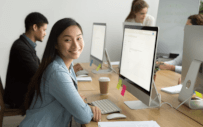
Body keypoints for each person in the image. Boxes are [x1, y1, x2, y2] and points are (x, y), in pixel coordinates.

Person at [19, 18, 101, 127]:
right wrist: (86, 107)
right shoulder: (57, 72)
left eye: (79, 38)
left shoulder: (66, 65)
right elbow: (84, 116)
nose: (76, 45)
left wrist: (79, 104)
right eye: (67, 40)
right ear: (56, 44)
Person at [3, 12, 48, 108]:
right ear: (35, 27)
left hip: (24, 93)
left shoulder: (26, 46)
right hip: (19, 98)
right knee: (57, 98)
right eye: (44, 29)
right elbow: (38, 74)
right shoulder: (21, 48)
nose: (45, 33)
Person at [158, 14, 203, 84]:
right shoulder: (188, 43)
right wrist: (160, 64)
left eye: (187, 26)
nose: (184, 29)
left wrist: (172, 68)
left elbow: (198, 71)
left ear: (197, 29)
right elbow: (177, 62)